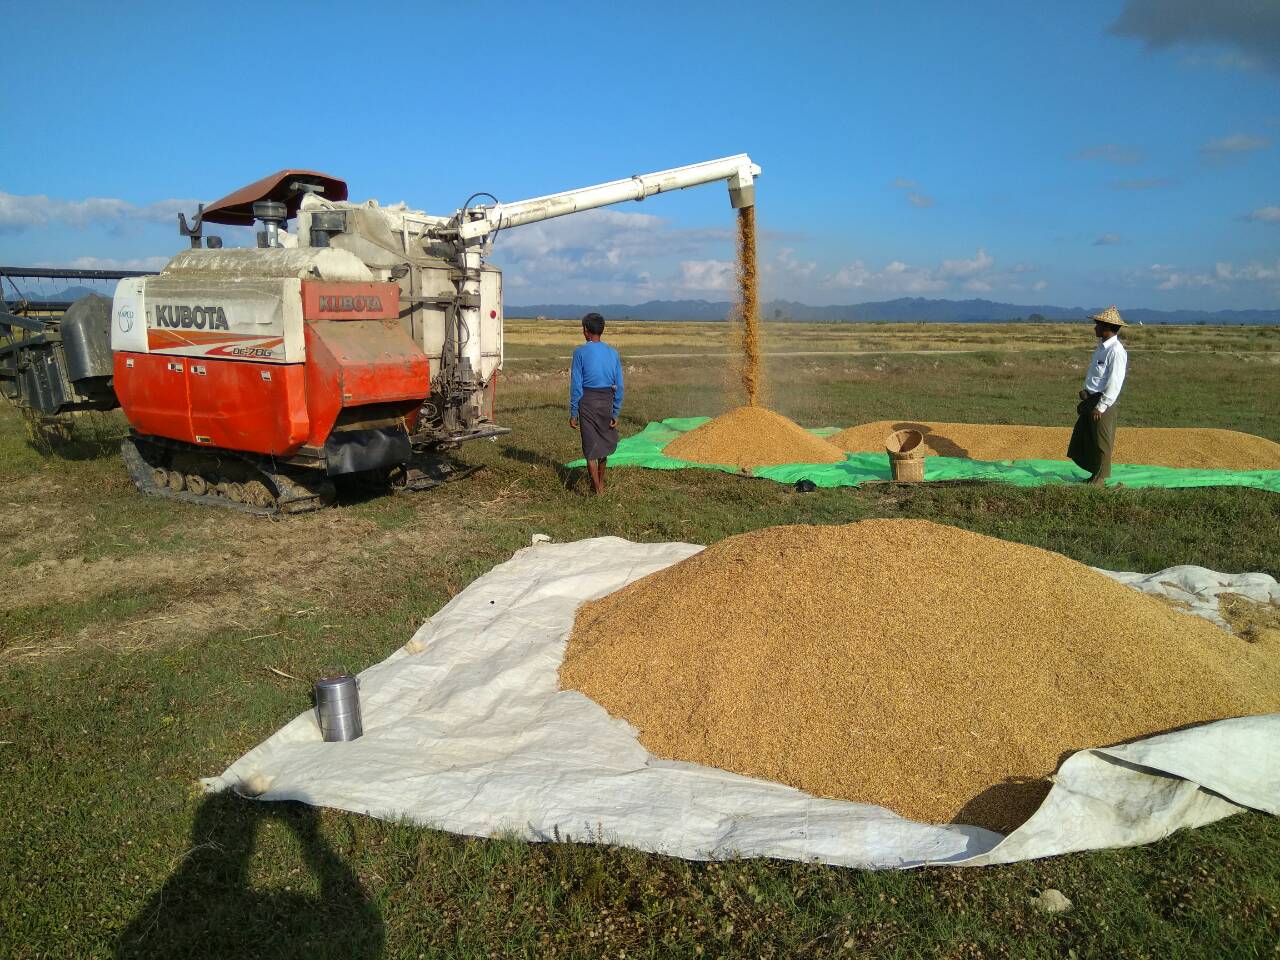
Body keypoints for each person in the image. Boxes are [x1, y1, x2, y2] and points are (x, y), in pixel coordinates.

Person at [1067, 305, 1128, 486]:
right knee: (1089, 438)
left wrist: (1101, 406)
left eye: (1098, 325)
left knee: (1102, 442)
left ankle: (1100, 480)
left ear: (1107, 327)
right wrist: (1086, 391)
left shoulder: (1116, 351)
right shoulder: (1101, 348)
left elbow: (1114, 383)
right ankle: (1094, 475)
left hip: (1102, 403)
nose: (1095, 327)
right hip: (1091, 399)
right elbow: (1098, 376)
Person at [569, 312, 624, 495]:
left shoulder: (580, 352)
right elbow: (619, 385)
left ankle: (597, 488)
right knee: (604, 444)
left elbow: (576, 385)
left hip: (588, 402)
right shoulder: (613, 353)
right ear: (602, 330)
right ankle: (600, 483)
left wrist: (574, 412)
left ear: (586, 330)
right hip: (607, 400)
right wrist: (615, 411)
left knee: (590, 447)